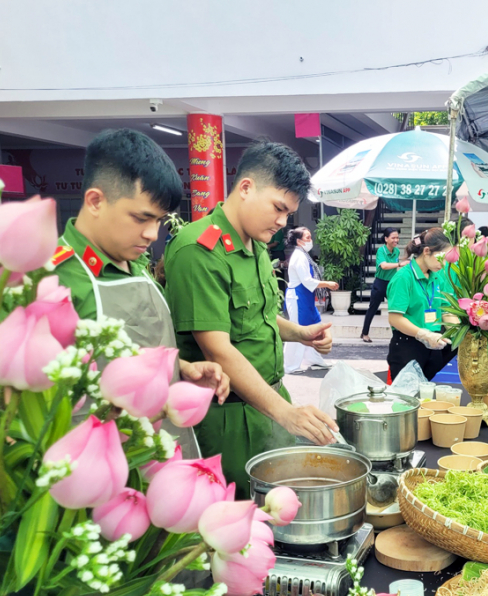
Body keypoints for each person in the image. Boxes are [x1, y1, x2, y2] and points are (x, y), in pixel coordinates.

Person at [163, 142, 338, 496]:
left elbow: (261, 317)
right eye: (278, 208)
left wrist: (300, 333)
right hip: (229, 417)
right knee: (237, 516)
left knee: (279, 510)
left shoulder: (256, 245)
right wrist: (287, 413)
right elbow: (218, 350)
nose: (282, 221)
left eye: (289, 213)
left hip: (269, 402)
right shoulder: (199, 250)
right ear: (245, 188)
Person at [52, 129, 229, 458]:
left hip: (164, 451)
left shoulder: (133, 264)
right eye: (141, 218)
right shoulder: (54, 280)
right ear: (95, 201)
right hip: (101, 467)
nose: (152, 233)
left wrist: (182, 370)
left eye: (159, 220)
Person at [386, 228, 456, 381]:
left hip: (434, 344)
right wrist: (423, 334)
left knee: (428, 398)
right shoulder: (404, 277)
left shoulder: (438, 277)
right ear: (426, 251)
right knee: (408, 399)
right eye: (441, 258)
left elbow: (446, 311)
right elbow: (395, 318)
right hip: (408, 346)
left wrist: (460, 332)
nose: (444, 264)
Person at [283, 227, 338, 373]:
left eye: (310, 236)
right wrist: (327, 283)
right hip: (298, 297)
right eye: (307, 237)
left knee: (314, 326)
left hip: (304, 296)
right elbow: (307, 281)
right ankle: (290, 366)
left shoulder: (303, 255)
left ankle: (314, 359)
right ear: (299, 241)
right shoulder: (299, 257)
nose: (310, 240)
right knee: (298, 330)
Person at [361, 227, 406, 342]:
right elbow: (384, 266)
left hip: (391, 284)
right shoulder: (381, 250)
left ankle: (396, 335)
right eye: (393, 238)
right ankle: (364, 333)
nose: (396, 240)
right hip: (380, 283)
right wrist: (400, 264)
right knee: (372, 309)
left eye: (397, 237)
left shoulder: (396, 251)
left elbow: (393, 267)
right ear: (386, 239)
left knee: (395, 309)